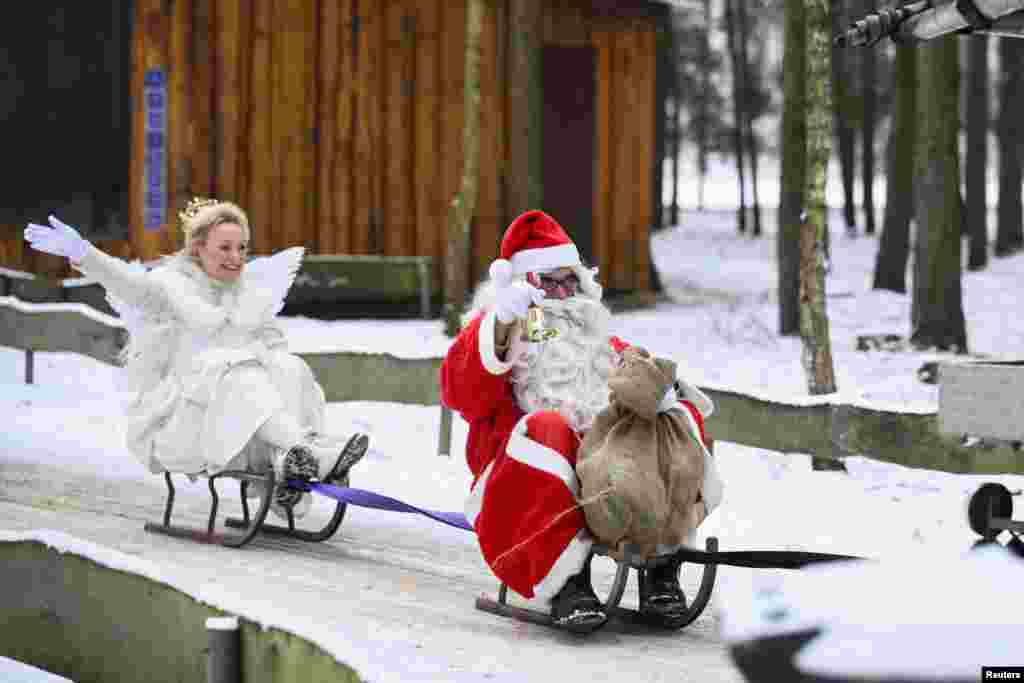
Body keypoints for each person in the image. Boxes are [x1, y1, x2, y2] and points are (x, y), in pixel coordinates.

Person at [440, 210, 723, 634]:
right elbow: (460, 391)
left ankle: (662, 563)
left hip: (605, 467)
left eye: (567, 281)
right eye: (546, 282)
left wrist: (663, 390)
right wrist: (499, 323)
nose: (559, 293)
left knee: (675, 420)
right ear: (520, 286)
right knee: (547, 427)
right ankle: (568, 582)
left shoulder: (599, 341)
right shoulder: (499, 336)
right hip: (520, 481)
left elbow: (642, 370)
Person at [23, 197, 370, 519]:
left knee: (288, 366)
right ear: (199, 248)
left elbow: (277, 353)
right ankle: (307, 452)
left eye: (242, 248)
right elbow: (128, 284)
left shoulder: (250, 296)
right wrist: (83, 252)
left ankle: (288, 470)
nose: (236, 257)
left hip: (241, 421)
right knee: (233, 371)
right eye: (225, 247)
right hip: (185, 420)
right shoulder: (170, 288)